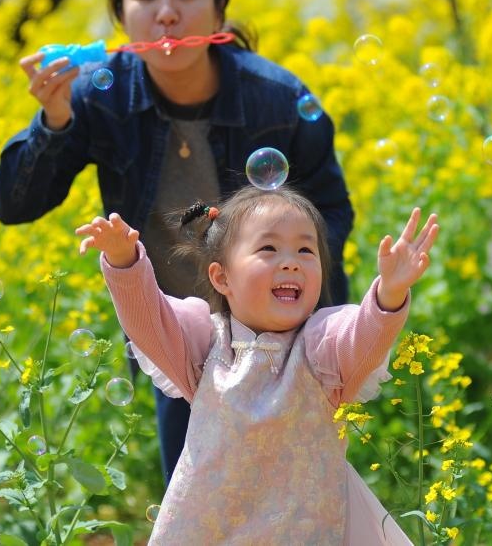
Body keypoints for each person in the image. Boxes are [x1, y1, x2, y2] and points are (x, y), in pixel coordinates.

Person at [0, 0, 355, 485]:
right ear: (121, 18)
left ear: (218, 9)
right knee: (197, 504)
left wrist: (274, 289)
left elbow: (331, 211)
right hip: (183, 336)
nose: (167, 13)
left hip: (288, 337)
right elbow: (15, 204)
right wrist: (56, 121)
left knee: (300, 500)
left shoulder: (278, 99)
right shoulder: (98, 96)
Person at [75, 186, 438, 544]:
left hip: (304, 531)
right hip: (209, 531)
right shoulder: (203, 344)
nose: (291, 261)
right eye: (268, 248)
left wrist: (390, 292)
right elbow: (149, 320)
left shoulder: (322, 347)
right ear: (222, 278)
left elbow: (364, 338)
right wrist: (125, 262)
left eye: (306, 249)